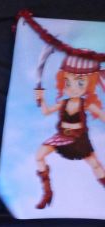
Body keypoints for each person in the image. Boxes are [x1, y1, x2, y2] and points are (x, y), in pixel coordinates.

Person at [34, 54, 105, 209]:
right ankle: (47, 192)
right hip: (61, 137)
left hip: (79, 139)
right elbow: (46, 112)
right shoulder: (63, 102)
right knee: (39, 156)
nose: (73, 88)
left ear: (89, 84)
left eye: (80, 83)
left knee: (95, 165)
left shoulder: (86, 103)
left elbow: (101, 115)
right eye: (68, 82)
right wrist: (41, 99)